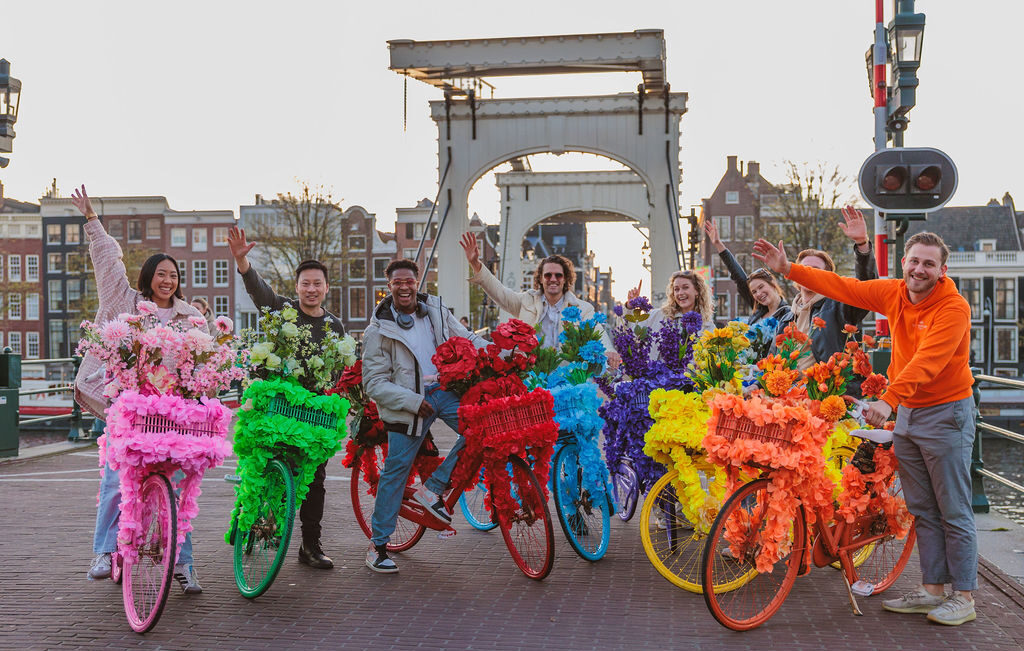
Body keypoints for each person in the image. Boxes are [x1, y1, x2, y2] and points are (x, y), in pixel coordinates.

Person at [753, 231, 978, 626]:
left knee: (953, 509)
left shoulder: (953, 308)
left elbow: (928, 361)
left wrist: (888, 400)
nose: (919, 269)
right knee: (923, 508)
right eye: (914, 261)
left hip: (946, 413)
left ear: (942, 270)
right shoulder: (893, 292)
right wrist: (789, 269)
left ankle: (964, 597)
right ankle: (932, 590)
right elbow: (844, 286)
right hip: (909, 412)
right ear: (904, 263)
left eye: (929, 263)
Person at [71, 185, 206, 594]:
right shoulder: (125, 302)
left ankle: (182, 562)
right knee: (116, 478)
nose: (167, 281)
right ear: (149, 278)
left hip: (170, 413)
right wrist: (93, 221)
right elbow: (109, 264)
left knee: (177, 485)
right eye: (161, 274)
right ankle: (103, 551)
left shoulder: (189, 317)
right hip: (129, 409)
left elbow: (202, 362)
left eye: (173, 275)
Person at [227, 226, 345, 570]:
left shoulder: (335, 326)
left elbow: (338, 369)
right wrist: (242, 260)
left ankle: (310, 545)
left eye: (317, 284)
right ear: (297, 287)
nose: (311, 289)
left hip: (311, 415)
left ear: (325, 288)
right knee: (262, 465)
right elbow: (259, 291)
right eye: (305, 283)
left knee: (315, 477)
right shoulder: (281, 310)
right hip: (278, 406)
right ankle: (247, 518)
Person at [362, 259, 488, 573]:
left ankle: (433, 487)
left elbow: (468, 338)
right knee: (397, 469)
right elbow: (374, 383)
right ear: (388, 286)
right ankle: (378, 546)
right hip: (409, 403)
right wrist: (413, 401)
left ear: (418, 282)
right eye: (397, 282)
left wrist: (503, 350)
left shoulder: (435, 311)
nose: (404, 287)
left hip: (444, 391)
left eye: (409, 281)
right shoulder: (378, 329)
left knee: (482, 429)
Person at [459, 233, 617, 357]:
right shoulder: (526, 301)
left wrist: (609, 351)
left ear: (566, 279)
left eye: (558, 275)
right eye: (548, 275)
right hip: (532, 378)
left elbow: (598, 332)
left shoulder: (583, 309)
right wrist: (475, 263)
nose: (553, 279)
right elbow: (500, 293)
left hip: (567, 381)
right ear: (541, 279)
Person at [785, 207, 877, 381]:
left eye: (815, 270)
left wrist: (862, 245)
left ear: (828, 277)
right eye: (804, 269)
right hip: (789, 396)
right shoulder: (787, 317)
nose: (809, 274)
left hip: (826, 393)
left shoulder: (839, 306)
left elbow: (866, 289)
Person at [703, 220, 791, 328]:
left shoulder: (788, 314)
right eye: (754, 292)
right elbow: (738, 276)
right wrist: (718, 244)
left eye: (761, 287)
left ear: (772, 283)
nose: (758, 294)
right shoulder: (760, 310)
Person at [626, 270, 715, 333]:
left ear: (697, 291)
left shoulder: (707, 326)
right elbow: (631, 332)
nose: (680, 293)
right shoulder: (658, 316)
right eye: (676, 289)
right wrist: (630, 307)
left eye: (685, 287)